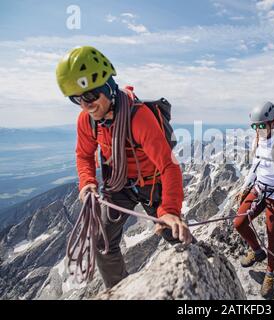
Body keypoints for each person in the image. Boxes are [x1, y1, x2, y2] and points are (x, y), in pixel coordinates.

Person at [56, 46, 192, 289]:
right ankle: (120, 290)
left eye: (90, 96)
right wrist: (87, 181)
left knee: (172, 231)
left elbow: (169, 166)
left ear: (108, 87)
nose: (85, 105)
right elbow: (84, 155)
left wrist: (169, 209)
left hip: (152, 183)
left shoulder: (138, 118)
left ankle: (196, 269)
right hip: (118, 185)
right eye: (76, 99)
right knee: (102, 243)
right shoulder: (87, 120)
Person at [234, 102, 274, 299]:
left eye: (262, 125)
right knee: (239, 223)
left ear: (273, 123)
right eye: (255, 126)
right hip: (259, 189)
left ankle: (270, 273)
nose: (258, 130)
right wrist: (245, 187)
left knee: (273, 235)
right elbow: (255, 166)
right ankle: (257, 251)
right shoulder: (258, 141)